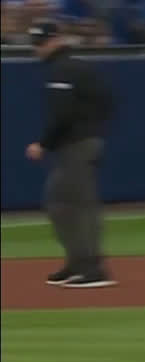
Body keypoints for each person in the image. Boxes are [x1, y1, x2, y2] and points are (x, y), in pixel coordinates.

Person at [24, 20, 117, 288]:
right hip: (82, 142)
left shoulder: (64, 69)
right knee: (61, 203)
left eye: (41, 43)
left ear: (56, 39)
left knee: (77, 204)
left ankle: (92, 267)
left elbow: (62, 114)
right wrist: (95, 131)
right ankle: (78, 262)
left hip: (76, 145)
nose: (38, 49)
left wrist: (44, 144)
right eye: (36, 44)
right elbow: (107, 102)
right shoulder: (77, 67)